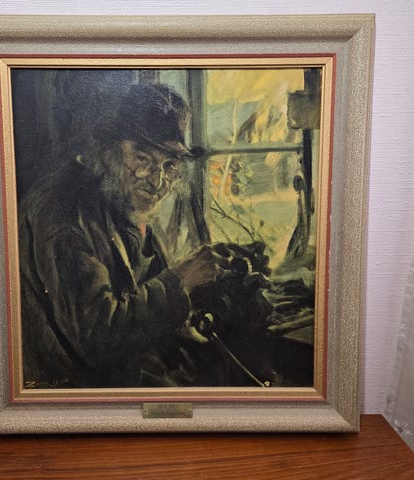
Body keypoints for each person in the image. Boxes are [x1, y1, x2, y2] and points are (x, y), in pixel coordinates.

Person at [18, 83, 271, 389]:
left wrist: (208, 285)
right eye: (142, 159)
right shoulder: (63, 213)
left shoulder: (119, 200)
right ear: (107, 150)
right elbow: (98, 336)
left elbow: (143, 294)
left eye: (169, 165)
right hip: (79, 392)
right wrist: (180, 279)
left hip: (133, 370)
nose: (158, 181)